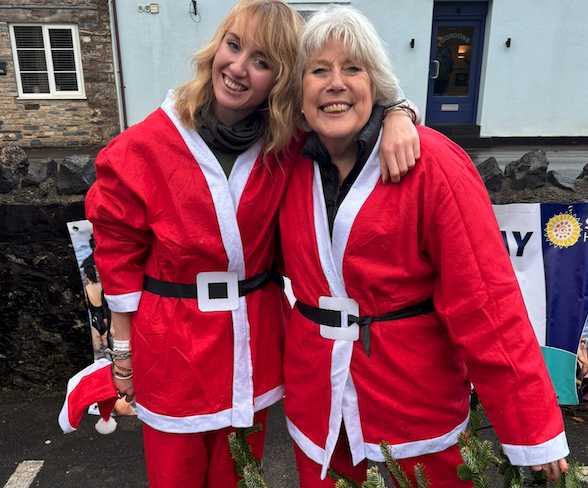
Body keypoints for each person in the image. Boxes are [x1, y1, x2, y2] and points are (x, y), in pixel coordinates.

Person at [84, 1, 421, 486]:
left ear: (280, 79)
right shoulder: (143, 145)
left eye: (262, 61)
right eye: (233, 45)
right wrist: (121, 353)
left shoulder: (286, 141)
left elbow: (347, 100)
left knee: (240, 477)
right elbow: (117, 249)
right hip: (171, 348)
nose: (239, 68)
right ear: (215, 47)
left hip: (252, 344)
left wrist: (399, 113)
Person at [278, 6, 569, 487]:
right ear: (299, 92)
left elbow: (486, 302)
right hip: (318, 397)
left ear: (378, 84)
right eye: (319, 70)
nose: (336, 83)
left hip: (414, 398)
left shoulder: (433, 165)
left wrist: (533, 427)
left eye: (354, 68)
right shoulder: (285, 162)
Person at [83, 264, 111, 360]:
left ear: (86, 275)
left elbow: (86, 305)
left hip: (95, 322)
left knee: (97, 353)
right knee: (107, 350)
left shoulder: (86, 289)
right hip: (104, 319)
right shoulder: (101, 286)